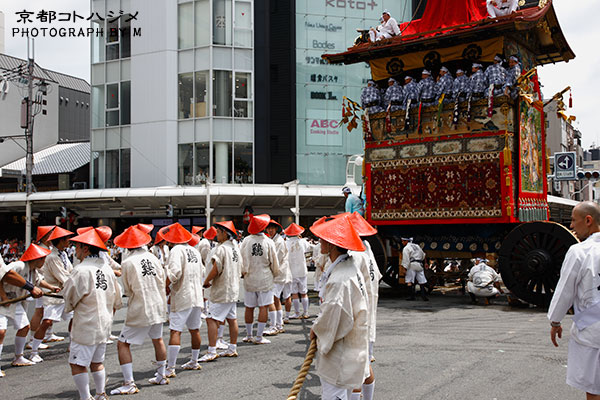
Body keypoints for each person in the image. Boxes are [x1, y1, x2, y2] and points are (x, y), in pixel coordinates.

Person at [310, 215, 370, 400]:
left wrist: (317, 330)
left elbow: (333, 314)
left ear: (332, 245)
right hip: (352, 343)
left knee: (334, 394)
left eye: (323, 239)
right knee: (343, 393)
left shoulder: (340, 278)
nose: (320, 241)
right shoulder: (350, 267)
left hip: (341, 351)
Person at [63, 228, 123, 400]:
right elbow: (117, 299)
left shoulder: (80, 270)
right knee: (97, 362)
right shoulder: (106, 268)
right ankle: (100, 394)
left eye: (77, 247)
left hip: (85, 323)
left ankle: (85, 397)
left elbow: (70, 298)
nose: (75, 250)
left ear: (85, 248)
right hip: (104, 322)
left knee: (77, 363)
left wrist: (69, 303)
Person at [548, 201, 600, 399]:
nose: (571, 226)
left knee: (594, 387)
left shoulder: (579, 251)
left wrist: (555, 321)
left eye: (573, 220)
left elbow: (565, 291)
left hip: (592, 331)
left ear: (588, 221)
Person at [110, 226, 169, 395]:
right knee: (158, 339)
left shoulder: (128, 262)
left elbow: (128, 289)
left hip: (141, 306)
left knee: (123, 343)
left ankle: (129, 383)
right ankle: (161, 375)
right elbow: (162, 279)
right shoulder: (153, 257)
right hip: (157, 303)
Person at [0, 244, 57, 375]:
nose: (44, 262)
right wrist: (3, 295)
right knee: (1, 332)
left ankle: (18, 357)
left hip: (16, 300)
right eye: (42, 259)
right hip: (3, 299)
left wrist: (51, 288)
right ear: (36, 258)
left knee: (24, 326)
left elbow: (39, 282)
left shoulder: (33, 271)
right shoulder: (19, 266)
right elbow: (4, 276)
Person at [161, 223, 205, 376]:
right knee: (195, 330)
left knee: (175, 331)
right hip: (196, 295)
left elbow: (174, 272)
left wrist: (164, 286)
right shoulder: (194, 251)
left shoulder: (176, 250)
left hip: (182, 295)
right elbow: (203, 271)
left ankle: (171, 368)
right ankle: (194, 361)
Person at [30, 227, 75, 363]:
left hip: (63, 293)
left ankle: (72, 344)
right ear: (61, 241)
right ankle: (33, 351)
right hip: (53, 294)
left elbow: (70, 271)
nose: (69, 241)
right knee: (47, 321)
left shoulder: (63, 254)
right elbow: (63, 277)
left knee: (75, 317)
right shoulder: (52, 257)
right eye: (67, 239)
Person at [200, 221, 241, 362]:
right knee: (231, 319)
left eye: (218, 232)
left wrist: (206, 281)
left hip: (222, 289)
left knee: (211, 319)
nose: (216, 235)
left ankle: (211, 350)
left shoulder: (222, 248)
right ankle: (232, 348)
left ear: (224, 233)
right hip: (233, 288)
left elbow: (216, 268)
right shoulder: (235, 248)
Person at [239, 214, 279, 344]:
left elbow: (241, 259)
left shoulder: (246, 240)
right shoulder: (268, 242)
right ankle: (259, 337)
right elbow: (274, 262)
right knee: (263, 307)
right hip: (264, 278)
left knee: (249, 307)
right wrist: (275, 273)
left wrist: (243, 272)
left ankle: (249, 334)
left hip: (250, 277)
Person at [265, 219, 290, 335]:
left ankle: (274, 325)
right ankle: (278, 324)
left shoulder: (279, 241)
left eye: (272, 228)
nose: (270, 230)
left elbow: (277, 259)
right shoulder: (273, 240)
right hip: (277, 272)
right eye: (268, 228)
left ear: (276, 229)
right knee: (276, 299)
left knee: (273, 299)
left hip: (278, 272)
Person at [285, 223, 311, 319]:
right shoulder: (303, 242)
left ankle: (296, 313)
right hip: (302, 270)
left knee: (294, 293)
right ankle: (306, 312)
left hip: (291, 271)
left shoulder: (286, 243)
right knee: (304, 292)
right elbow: (308, 252)